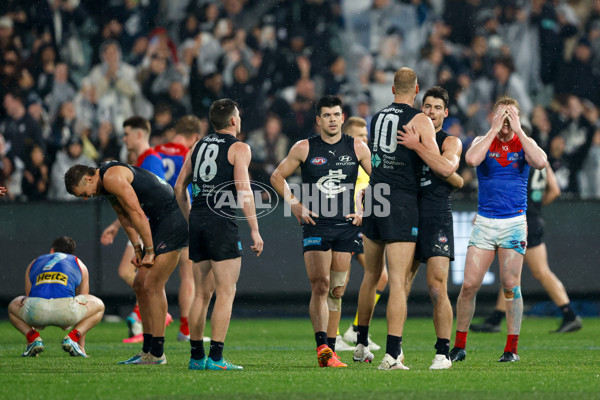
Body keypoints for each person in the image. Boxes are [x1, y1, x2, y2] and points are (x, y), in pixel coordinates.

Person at [271, 95, 371, 368]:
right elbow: (276, 177)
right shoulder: (304, 147)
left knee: (337, 290)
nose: (332, 119)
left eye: (336, 114)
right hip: (316, 225)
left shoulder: (358, 147)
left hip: (346, 227)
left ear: (342, 117)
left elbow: (379, 180)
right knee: (321, 286)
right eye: (326, 115)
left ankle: (332, 347)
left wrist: (363, 210)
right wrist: (295, 206)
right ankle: (323, 349)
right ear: (318, 120)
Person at [353, 67, 440, 370]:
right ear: (416, 90)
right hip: (401, 199)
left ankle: (361, 343)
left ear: (393, 90)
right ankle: (392, 354)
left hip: (375, 194)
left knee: (370, 276)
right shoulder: (419, 120)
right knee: (399, 282)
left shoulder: (377, 118)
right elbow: (436, 161)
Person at [449, 96, 547, 363]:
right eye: (501, 116)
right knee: (469, 285)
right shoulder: (485, 140)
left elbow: (540, 161)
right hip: (485, 222)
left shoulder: (523, 143)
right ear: (492, 117)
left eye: (510, 117)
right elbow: (470, 159)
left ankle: (511, 349)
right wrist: (493, 129)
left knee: (510, 285)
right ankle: (459, 346)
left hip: (514, 223)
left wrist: (520, 129)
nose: (505, 123)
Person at [64, 156, 189, 365]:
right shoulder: (106, 183)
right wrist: (138, 249)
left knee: (153, 285)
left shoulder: (111, 177)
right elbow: (125, 218)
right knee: (140, 284)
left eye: (83, 193)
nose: (86, 198)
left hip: (172, 220)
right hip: (159, 223)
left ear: (88, 178)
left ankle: (157, 353)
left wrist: (149, 250)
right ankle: (147, 349)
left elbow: (137, 213)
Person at [175, 98, 264, 371]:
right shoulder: (239, 148)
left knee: (202, 293)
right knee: (226, 291)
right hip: (222, 221)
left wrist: (192, 218)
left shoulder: (197, 146)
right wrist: (255, 229)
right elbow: (243, 189)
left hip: (200, 218)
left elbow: (179, 187)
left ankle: (196, 357)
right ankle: (216, 358)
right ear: (234, 120)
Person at [471, 164, 582, 334]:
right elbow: (555, 190)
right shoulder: (540, 158)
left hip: (519, 219)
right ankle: (496, 318)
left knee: (533, 272)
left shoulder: (519, 158)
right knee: (517, 272)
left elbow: (505, 189)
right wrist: (535, 207)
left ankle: (570, 314)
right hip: (533, 218)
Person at [398, 86, 464, 370]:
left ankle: (442, 353)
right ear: (419, 109)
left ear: (445, 113)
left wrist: (417, 147)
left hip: (437, 215)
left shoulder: (451, 141)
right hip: (409, 213)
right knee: (401, 285)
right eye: (427, 106)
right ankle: (395, 348)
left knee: (437, 287)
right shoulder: (408, 134)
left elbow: (446, 169)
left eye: (437, 107)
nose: (431, 112)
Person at [99, 116, 172, 344]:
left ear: (140, 134)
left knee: (145, 280)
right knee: (137, 278)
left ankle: (152, 316)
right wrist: (115, 226)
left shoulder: (150, 160)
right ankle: (148, 317)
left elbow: (153, 198)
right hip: (142, 223)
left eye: (127, 133)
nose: (124, 138)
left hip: (148, 225)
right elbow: (130, 202)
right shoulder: (141, 159)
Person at [8, 236, 105, 357]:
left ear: (52, 250)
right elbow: (84, 298)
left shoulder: (34, 262)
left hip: (36, 312)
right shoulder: (79, 263)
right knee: (99, 305)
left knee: (13, 305)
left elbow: (29, 297)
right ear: (71, 253)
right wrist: (81, 346)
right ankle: (73, 339)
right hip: (66, 313)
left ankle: (33, 339)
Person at [154, 115, 206, 342]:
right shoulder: (190, 154)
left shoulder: (154, 152)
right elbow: (187, 188)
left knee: (153, 278)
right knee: (188, 276)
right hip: (182, 216)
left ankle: (150, 331)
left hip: (157, 218)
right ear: (195, 136)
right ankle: (185, 329)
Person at [340, 116, 387, 352]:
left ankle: (356, 329)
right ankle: (334, 335)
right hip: (348, 222)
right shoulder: (346, 161)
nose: (365, 141)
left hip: (363, 223)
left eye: (367, 137)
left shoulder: (367, 159)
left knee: (380, 276)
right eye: (360, 137)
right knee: (340, 280)